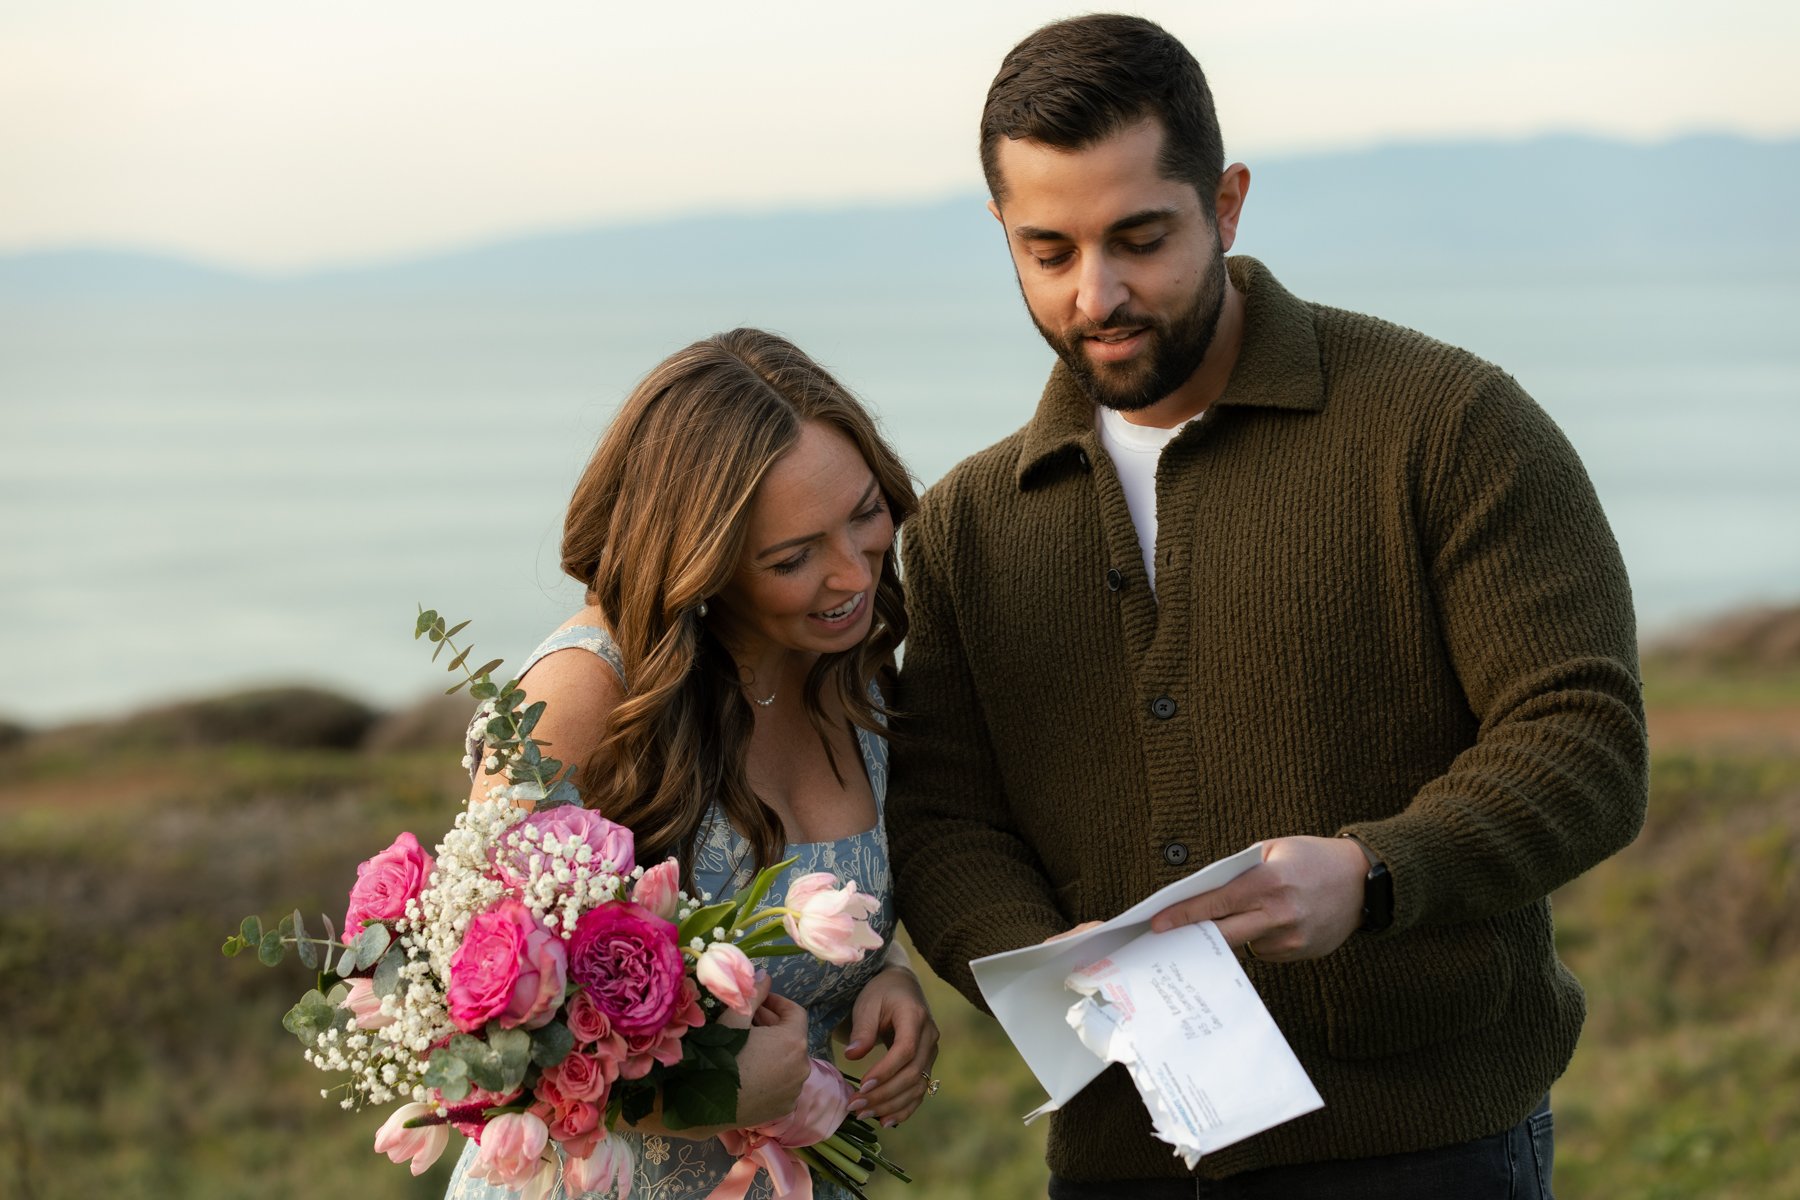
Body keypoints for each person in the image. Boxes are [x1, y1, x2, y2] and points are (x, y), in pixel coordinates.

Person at [887, 14, 1647, 1199]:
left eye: (1143, 237)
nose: (1101, 293)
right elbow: (941, 819)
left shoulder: (1448, 425)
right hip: (1122, 1160)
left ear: (1227, 203)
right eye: (1050, 251)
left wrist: (1376, 872)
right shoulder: (964, 528)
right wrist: (1058, 979)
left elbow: (1584, 742)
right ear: (1002, 232)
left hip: (1427, 1150)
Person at [445, 328, 939, 1200]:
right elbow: (475, 1039)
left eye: (864, 513)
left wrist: (885, 972)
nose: (852, 573)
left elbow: (814, 907)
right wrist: (683, 1096)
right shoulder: (580, 697)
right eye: (792, 558)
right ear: (702, 564)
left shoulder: (852, 660)